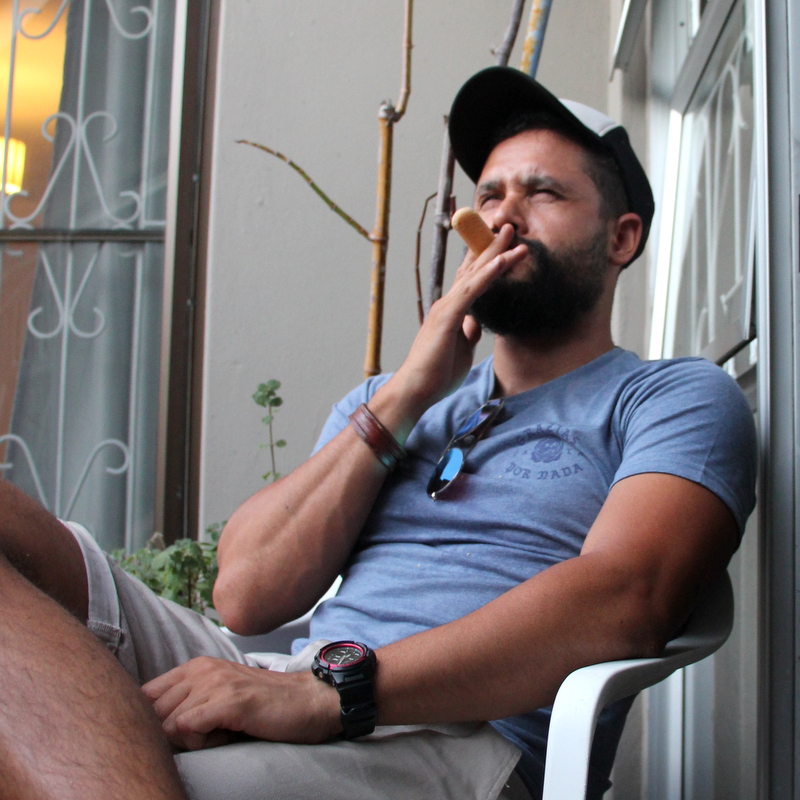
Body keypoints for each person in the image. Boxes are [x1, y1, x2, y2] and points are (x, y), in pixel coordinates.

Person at [0, 66, 756, 800]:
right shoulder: (393, 403)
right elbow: (246, 595)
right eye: (489, 194)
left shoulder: (671, 398)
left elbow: (627, 598)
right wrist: (406, 395)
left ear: (621, 238)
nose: (503, 218)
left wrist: (335, 692)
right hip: (300, 681)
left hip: (462, 741)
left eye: (543, 193)